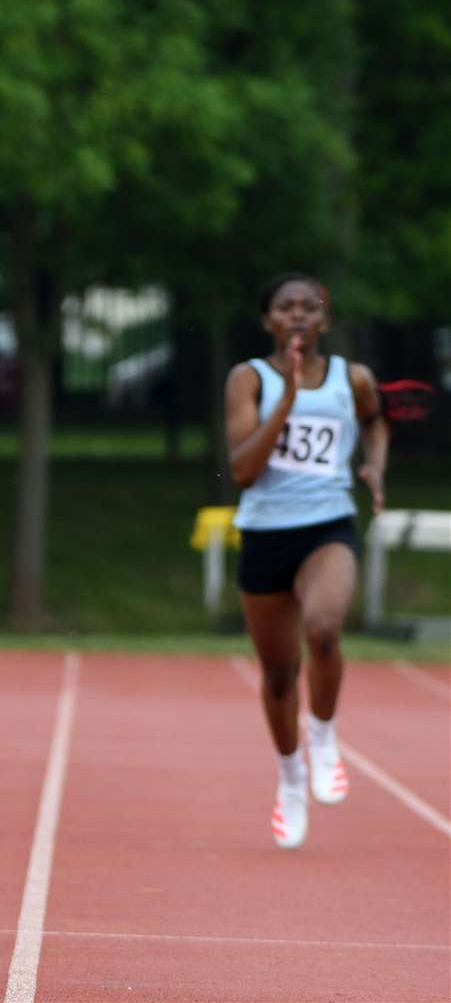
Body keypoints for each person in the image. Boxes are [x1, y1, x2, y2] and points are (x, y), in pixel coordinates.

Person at [225, 273, 389, 849]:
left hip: (328, 526)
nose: (297, 316)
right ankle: (291, 777)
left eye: (308, 308)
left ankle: (322, 735)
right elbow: (244, 470)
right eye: (284, 308)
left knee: (322, 630)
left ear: (324, 320)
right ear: (269, 320)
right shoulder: (249, 378)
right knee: (276, 674)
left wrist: (374, 464)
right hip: (267, 532)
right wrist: (286, 403)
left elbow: (374, 419)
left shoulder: (354, 378)